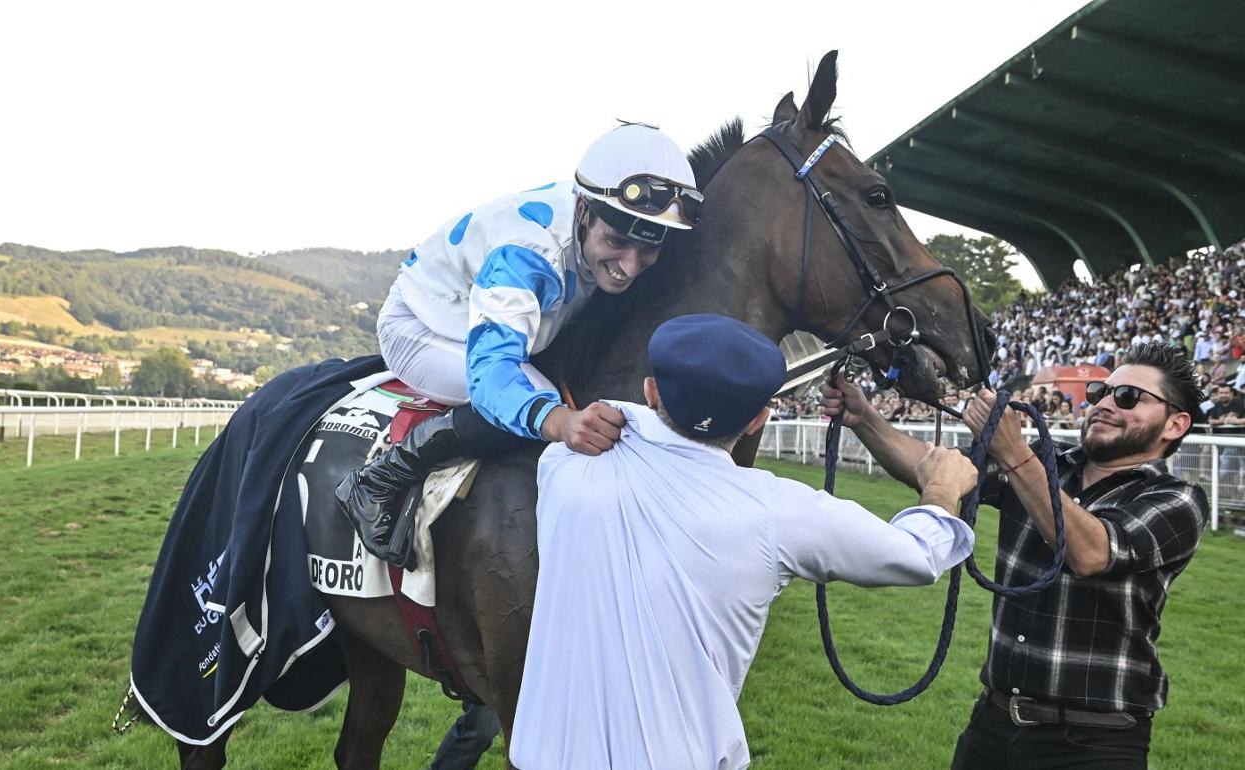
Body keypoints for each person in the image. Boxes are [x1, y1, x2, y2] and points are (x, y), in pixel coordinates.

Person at [509, 314, 980, 770]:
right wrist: (941, 486)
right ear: (759, 419)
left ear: (651, 390)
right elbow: (917, 555)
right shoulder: (777, 510)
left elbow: (614, 419)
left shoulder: (563, 463)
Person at [820, 341, 1209, 769]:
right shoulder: (1050, 464)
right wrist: (865, 419)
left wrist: (1016, 456)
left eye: (1129, 396)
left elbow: (1091, 552)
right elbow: (938, 468)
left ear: (1175, 424)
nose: (1104, 404)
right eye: (1100, 392)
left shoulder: (1177, 499)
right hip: (995, 721)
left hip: (1093, 742)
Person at [335, 123, 703, 566]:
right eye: (616, 242)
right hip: (423, 327)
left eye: (647, 251)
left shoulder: (597, 212)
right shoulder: (528, 253)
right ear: (583, 210)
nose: (629, 266)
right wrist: (561, 422)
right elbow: (493, 377)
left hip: (508, 316)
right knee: (534, 398)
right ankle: (378, 479)